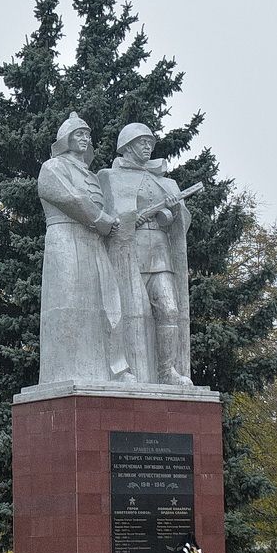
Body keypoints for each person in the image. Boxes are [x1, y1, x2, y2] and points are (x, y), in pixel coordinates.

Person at [36, 112, 133, 384]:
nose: (84, 138)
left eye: (87, 135)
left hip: (94, 243)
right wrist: (102, 220)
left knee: (108, 302)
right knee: (69, 303)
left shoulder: (91, 175)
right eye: (79, 134)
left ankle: (115, 369)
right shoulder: (53, 167)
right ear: (65, 139)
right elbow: (71, 198)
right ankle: (67, 371)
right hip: (65, 238)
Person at [98, 123, 193, 385]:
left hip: (160, 253)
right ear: (127, 146)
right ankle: (126, 368)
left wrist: (172, 214)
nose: (147, 147)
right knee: (131, 311)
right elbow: (107, 218)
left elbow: (179, 222)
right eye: (142, 142)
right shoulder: (110, 177)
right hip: (129, 254)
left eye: (150, 143)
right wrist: (131, 219)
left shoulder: (167, 182)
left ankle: (166, 371)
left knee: (169, 310)